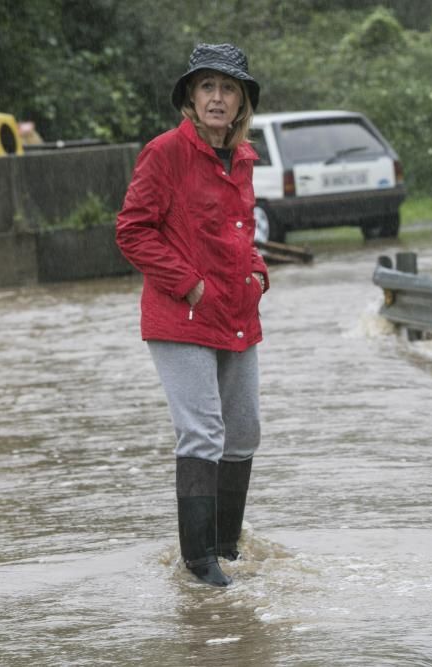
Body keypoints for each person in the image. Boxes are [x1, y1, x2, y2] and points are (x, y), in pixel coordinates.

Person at [116, 43, 269, 587]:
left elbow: (240, 234)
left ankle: (226, 547)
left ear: (242, 101)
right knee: (202, 432)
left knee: (244, 430)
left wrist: (257, 274)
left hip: (236, 312)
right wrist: (191, 286)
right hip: (180, 314)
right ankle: (199, 564)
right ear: (191, 96)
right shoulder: (164, 153)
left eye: (228, 88)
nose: (217, 98)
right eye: (207, 87)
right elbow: (132, 231)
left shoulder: (244, 157)